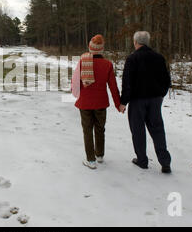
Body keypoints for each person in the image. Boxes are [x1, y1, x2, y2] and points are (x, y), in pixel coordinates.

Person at [119, 31, 172, 174]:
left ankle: (142, 160)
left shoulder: (132, 59)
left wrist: (123, 102)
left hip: (137, 101)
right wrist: (161, 94)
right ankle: (165, 162)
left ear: (136, 42)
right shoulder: (159, 58)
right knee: (158, 129)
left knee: (138, 130)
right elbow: (167, 80)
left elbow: (127, 83)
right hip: (155, 100)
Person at [72, 35, 121, 170]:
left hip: (85, 103)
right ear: (102, 49)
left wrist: (75, 93)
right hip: (100, 103)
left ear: (90, 48)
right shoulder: (107, 64)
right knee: (100, 129)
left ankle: (91, 160)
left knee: (87, 131)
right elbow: (113, 86)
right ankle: (99, 155)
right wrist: (118, 104)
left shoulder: (82, 61)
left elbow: (75, 82)